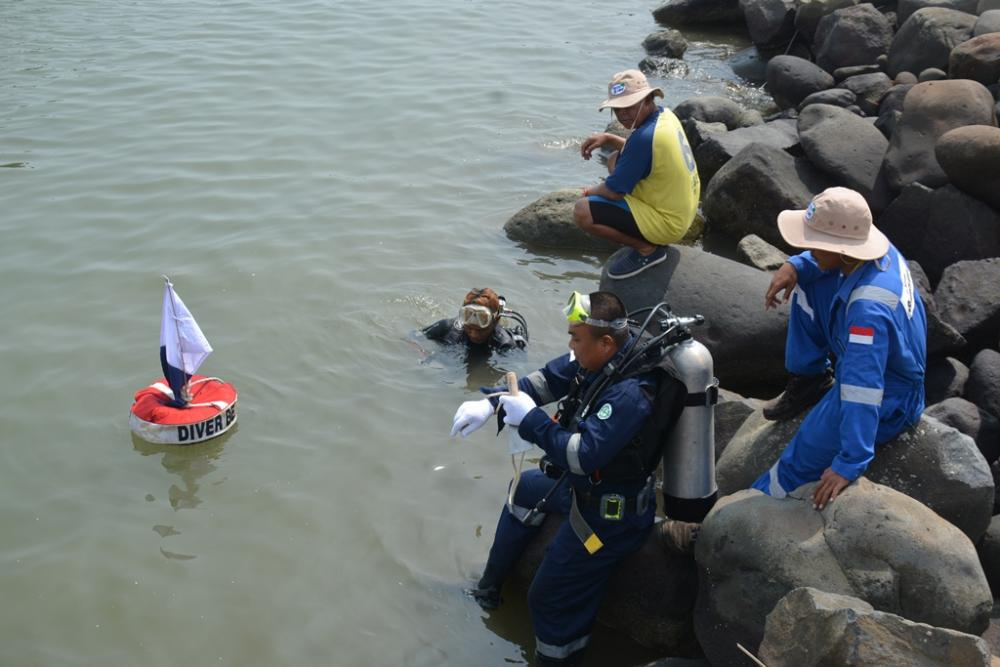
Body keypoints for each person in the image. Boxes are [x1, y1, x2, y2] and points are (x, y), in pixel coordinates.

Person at [450, 291, 696, 666]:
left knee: (548, 597)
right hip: (586, 489)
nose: (570, 345)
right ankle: (488, 591)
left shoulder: (630, 394)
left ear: (607, 342)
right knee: (526, 489)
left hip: (611, 516)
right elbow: (546, 379)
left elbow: (582, 456)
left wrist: (530, 420)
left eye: (575, 339)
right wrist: (492, 402)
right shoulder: (599, 358)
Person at [754, 187, 927, 510]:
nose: (808, 248)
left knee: (794, 464)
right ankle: (810, 379)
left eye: (814, 244)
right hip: (882, 360)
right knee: (807, 277)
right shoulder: (872, 248)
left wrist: (850, 462)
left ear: (843, 249)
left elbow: (863, 390)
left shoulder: (866, 313)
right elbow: (819, 263)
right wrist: (796, 265)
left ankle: (748, 515)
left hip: (892, 394)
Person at [574, 70, 700, 280]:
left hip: (669, 223)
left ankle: (646, 249)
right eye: (617, 109)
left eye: (629, 106)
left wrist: (588, 191)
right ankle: (646, 233)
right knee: (615, 158)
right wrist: (608, 138)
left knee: (582, 211)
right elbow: (643, 154)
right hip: (682, 208)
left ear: (648, 99)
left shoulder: (645, 137)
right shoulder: (665, 116)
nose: (622, 114)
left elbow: (613, 192)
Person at [422, 288, 527, 353]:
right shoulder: (448, 327)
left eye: (481, 330)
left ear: (496, 320)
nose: (475, 334)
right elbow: (414, 337)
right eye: (470, 327)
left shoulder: (505, 344)